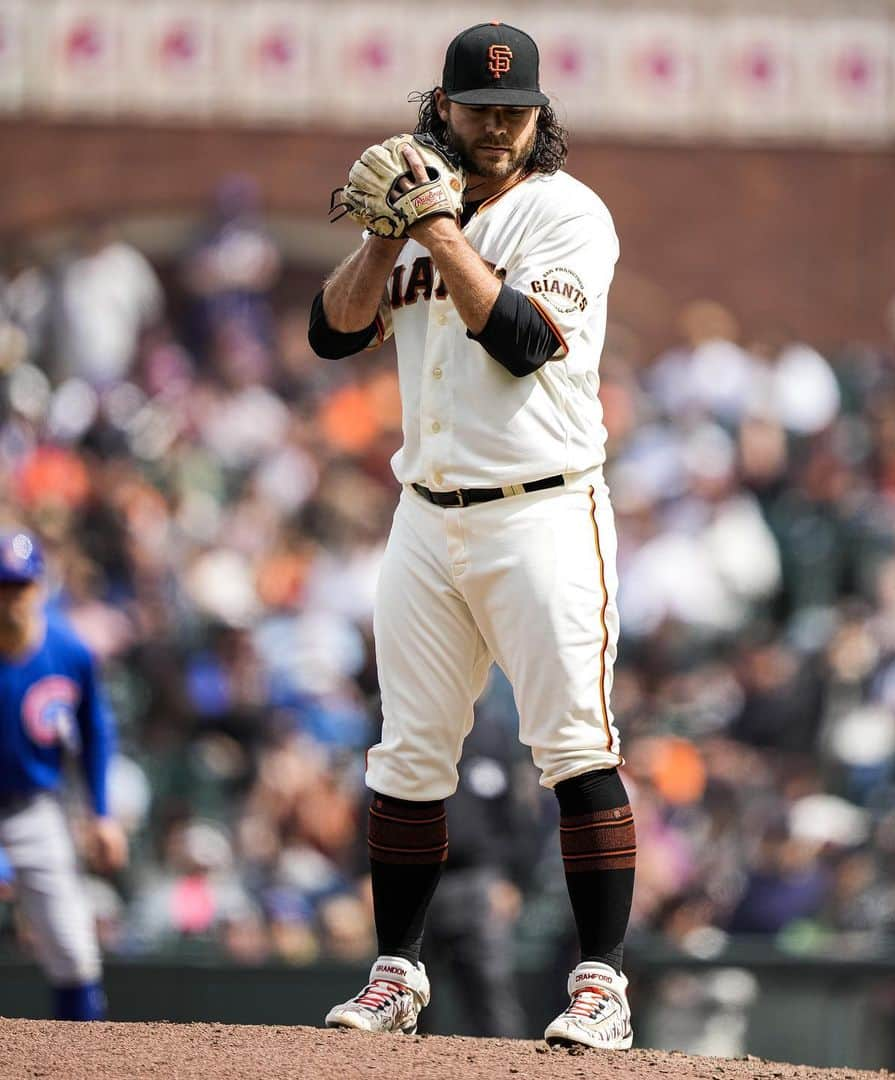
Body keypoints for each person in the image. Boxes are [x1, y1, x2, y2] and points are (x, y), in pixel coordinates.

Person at [309, 21, 635, 1050]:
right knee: (406, 757)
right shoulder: (412, 216)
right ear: (441, 109)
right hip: (425, 514)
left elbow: (525, 341)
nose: (496, 128)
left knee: (574, 748)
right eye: (478, 109)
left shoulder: (567, 211)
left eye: (514, 111)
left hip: (542, 509)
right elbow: (331, 332)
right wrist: (382, 234)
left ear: (541, 119)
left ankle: (601, 986)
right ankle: (396, 977)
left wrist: (439, 228)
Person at [0, 531, 127, 1019]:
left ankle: (81, 1062)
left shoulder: (68, 650)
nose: (11, 598)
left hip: (35, 808)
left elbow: (95, 732)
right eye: (2, 587)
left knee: (75, 954)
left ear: (40, 586)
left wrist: (101, 813)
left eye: (20, 586)